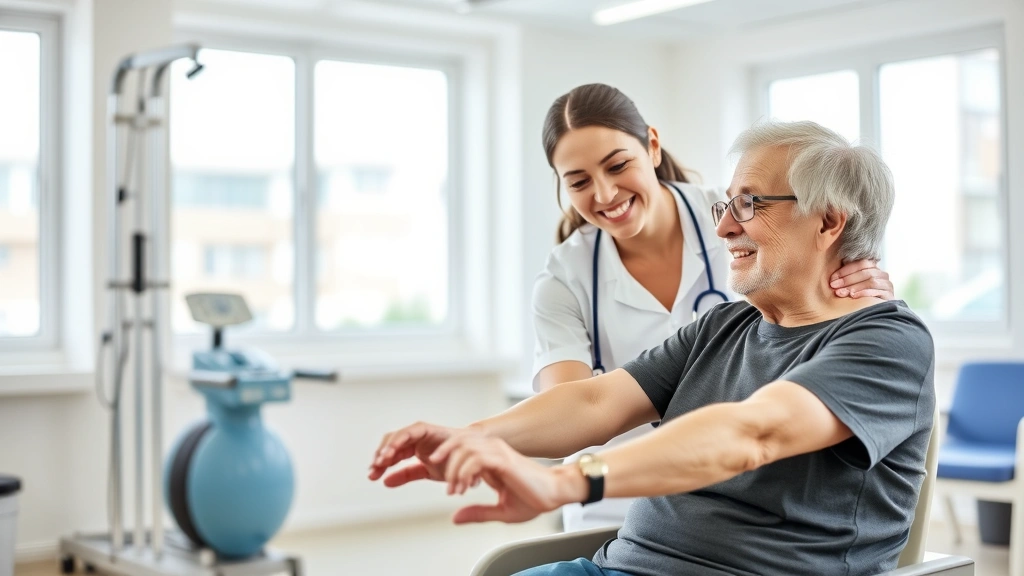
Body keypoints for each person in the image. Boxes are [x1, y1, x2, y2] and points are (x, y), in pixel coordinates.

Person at [369, 120, 935, 576]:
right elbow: (593, 404)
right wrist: (470, 437)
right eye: (726, 206)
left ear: (830, 221)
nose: (723, 230)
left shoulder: (887, 342)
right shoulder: (722, 327)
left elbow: (753, 434)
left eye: (749, 205)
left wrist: (565, 481)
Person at [531, 83, 894, 531]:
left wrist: (864, 289)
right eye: (580, 182)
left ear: (653, 145)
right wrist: (464, 442)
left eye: (618, 165)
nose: (604, 194)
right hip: (608, 502)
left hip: (733, 499)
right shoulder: (564, 278)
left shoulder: (739, 222)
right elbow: (578, 408)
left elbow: (838, 309)